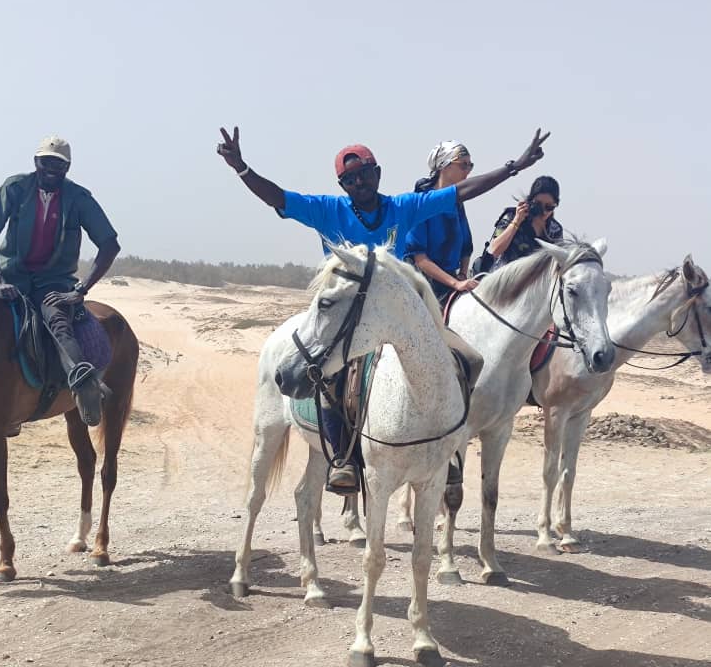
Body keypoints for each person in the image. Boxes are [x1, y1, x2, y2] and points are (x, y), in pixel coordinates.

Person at [217, 126, 549, 492]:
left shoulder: (402, 208)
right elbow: (278, 197)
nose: (359, 182)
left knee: (468, 359)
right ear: (343, 185)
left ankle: (449, 448)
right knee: (332, 375)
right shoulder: (327, 210)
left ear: (377, 174)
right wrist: (242, 169)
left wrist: (514, 166)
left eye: (365, 174)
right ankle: (342, 458)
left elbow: (460, 193)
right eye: (350, 178)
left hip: (398, 314)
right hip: (345, 316)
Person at [0, 136, 121, 429]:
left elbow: (109, 244)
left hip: (53, 282)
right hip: (11, 277)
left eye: (59, 164)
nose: (52, 169)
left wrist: (80, 290)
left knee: (56, 320)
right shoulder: (15, 188)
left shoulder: (80, 199)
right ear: (36, 163)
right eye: (46, 162)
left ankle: (83, 382)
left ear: (67, 167)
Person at [405, 141, 479, 305]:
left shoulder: (457, 203)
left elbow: (466, 247)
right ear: (444, 166)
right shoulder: (421, 204)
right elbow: (420, 258)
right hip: (422, 286)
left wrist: (462, 275)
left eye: (470, 165)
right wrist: (455, 283)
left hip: (450, 282)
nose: (467, 171)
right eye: (463, 165)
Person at [474, 175, 564, 274]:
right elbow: (494, 250)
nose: (543, 211)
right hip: (505, 278)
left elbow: (559, 262)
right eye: (538, 204)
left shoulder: (555, 229)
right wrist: (516, 222)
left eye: (549, 207)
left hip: (536, 283)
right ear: (530, 201)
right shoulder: (511, 216)